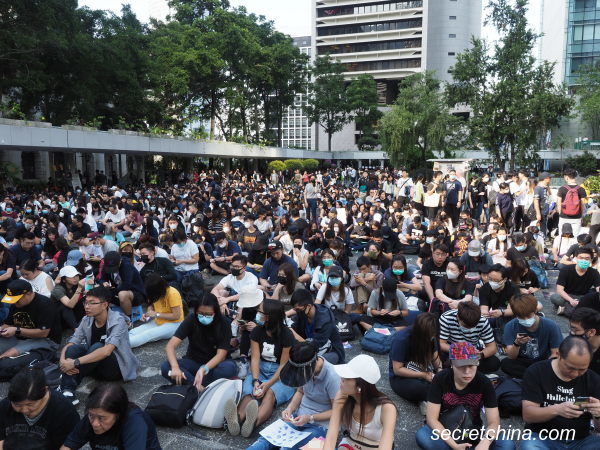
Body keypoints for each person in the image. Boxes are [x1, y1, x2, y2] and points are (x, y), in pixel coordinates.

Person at [415, 342, 515, 450]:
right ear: (452, 364)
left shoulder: (484, 382)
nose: (467, 372)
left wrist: (485, 442)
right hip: (446, 430)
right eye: (461, 366)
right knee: (423, 436)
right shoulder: (440, 379)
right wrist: (454, 445)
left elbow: (494, 421)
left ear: (477, 363)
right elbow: (432, 419)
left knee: (506, 444)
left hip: (472, 431)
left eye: (471, 365)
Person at [247, 341, 340, 450]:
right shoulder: (306, 369)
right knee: (265, 440)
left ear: (310, 365)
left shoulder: (333, 376)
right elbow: (300, 392)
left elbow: (337, 411)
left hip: (321, 426)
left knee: (287, 448)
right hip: (298, 417)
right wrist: (289, 409)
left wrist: (310, 418)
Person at [225, 299, 295, 438]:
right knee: (249, 392)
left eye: (259, 311)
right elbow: (255, 358)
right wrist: (256, 380)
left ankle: (252, 424)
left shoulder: (287, 334)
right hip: (261, 369)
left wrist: (268, 384)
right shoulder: (257, 331)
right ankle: (236, 420)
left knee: (270, 395)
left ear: (269, 316)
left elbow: (283, 364)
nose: (257, 313)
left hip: (282, 373)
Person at [58, 287, 138, 405]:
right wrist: (62, 360)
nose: (86, 306)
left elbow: (106, 351)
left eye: (92, 303)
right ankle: (68, 391)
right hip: (93, 366)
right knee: (72, 349)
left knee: (98, 346)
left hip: (115, 369)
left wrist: (74, 363)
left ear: (105, 304)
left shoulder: (118, 321)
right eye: (86, 302)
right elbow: (72, 342)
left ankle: (67, 383)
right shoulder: (86, 319)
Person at [520, 336, 600, 449]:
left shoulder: (593, 379)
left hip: (581, 440)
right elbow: (528, 415)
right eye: (570, 368)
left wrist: (598, 414)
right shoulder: (537, 371)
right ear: (558, 355)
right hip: (542, 437)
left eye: (582, 369)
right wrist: (557, 410)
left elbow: (598, 429)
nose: (575, 374)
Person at [161, 292, 237, 390]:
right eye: (200, 313)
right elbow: (170, 346)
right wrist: (175, 367)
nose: (204, 317)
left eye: (208, 314)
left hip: (215, 365)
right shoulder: (192, 319)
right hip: (194, 361)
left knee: (229, 368)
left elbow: (221, 355)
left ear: (215, 312)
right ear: (196, 311)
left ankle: (191, 384)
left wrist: (204, 369)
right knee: (166, 367)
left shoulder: (224, 323)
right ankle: (200, 387)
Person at [323, 355, 397, 450]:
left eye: (348, 378)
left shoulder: (387, 408)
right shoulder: (342, 397)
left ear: (360, 387)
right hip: (350, 444)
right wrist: (337, 405)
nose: (342, 379)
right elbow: (331, 437)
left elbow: (386, 445)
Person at [61, 383, 161, 450]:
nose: (95, 423)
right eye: (91, 415)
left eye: (101, 418)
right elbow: (68, 446)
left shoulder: (135, 423)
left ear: (118, 414)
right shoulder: (93, 415)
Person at [0, 366, 80, 449]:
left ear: (45, 391)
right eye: (17, 405)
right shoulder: (5, 405)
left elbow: (69, 445)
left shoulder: (64, 410)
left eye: (29, 404)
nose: (24, 410)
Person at [0, 279, 59, 371]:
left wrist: (16, 330)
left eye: (17, 300)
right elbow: (8, 324)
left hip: (45, 340)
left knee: (7, 356)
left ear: (28, 293)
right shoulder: (16, 305)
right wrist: (2, 329)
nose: (14, 303)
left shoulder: (45, 304)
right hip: (19, 336)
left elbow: (43, 333)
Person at [501, 294, 562, 379]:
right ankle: (536, 377)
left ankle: (531, 377)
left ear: (535, 310)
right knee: (506, 363)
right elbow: (511, 356)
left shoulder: (551, 326)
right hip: (523, 361)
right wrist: (517, 343)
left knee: (557, 364)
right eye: (521, 317)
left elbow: (555, 353)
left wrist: (546, 366)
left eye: (528, 316)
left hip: (543, 361)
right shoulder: (511, 326)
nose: (525, 319)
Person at [389, 313, 440, 406]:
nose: (431, 339)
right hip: (403, 376)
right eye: (429, 337)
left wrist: (440, 371)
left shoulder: (431, 336)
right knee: (421, 388)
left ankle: (428, 400)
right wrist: (423, 375)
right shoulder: (402, 339)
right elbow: (397, 370)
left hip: (425, 369)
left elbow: (435, 356)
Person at [439, 301, 500, 373]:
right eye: (466, 326)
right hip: (452, 348)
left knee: (494, 363)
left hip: (473, 351)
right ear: (458, 317)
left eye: (473, 326)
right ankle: (466, 369)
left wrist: (479, 355)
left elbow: (492, 347)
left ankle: (461, 368)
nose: (470, 329)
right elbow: (441, 343)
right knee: (439, 356)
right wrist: (461, 351)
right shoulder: (446, 318)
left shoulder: (483, 321)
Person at [290, 289, 345, 364]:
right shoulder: (303, 313)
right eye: (295, 309)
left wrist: (293, 333)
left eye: (298, 309)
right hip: (311, 347)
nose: (296, 312)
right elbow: (293, 326)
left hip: (330, 351)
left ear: (308, 306)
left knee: (311, 364)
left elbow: (315, 345)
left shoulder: (325, 319)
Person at [128, 274, 183, 348]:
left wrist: (156, 314)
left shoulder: (172, 293)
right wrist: (148, 314)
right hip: (160, 320)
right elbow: (151, 305)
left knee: (147, 334)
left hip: (174, 324)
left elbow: (176, 316)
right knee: (134, 331)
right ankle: (116, 342)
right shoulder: (156, 292)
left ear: (158, 290)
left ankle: (120, 346)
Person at [551, 247, 600, 317]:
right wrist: (571, 300)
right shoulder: (566, 270)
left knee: (594, 300)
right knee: (555, 297)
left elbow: (598, 288)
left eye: (587, 259)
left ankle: (564, 309)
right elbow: (559, 290)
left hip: (583, 297)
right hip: (567, 296)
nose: (584, 260)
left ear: (591, 260)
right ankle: (578, 310)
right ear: (576, 258)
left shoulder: (594, 272)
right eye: (581, 258)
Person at [99, 251, 146, 321]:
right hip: (117, 291)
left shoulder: (127, 266)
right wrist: (104, 283)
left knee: (122, 294)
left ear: (120, 261)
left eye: (114, 267)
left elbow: (127, 285)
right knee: (98, 291)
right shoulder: (106, 266)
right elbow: (102, 279)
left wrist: (112, 291)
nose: (112, 270)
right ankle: (104, 318)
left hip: (136, 292)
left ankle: (129, 319)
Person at [51, 265, 90, 331]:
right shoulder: (58, 289)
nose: (75, 278)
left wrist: (90, 285)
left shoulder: (75, 285)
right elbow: (70, 305)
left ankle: (89, 322)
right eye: (71, 277)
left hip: (70, 317)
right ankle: (77, 331)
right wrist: (79, 288)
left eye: (76, 276)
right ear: (64, 280)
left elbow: (87, 292)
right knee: (64, 306)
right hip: (58, 320)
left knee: (84, 299)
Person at [569, 307, 600, 376]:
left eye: (576, 330)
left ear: (591, 332)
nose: (572, 333)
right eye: (571, 328)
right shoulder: (572, 343)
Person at [556, 168, 587, 237]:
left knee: (562, 236)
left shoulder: (562, 189)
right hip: (576, 217)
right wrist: (581, 215)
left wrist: (560, 213)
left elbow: (558, 203)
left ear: (566, 177)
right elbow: (582, 204)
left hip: (564, 216)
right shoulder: (581, 189)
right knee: (575, 236)